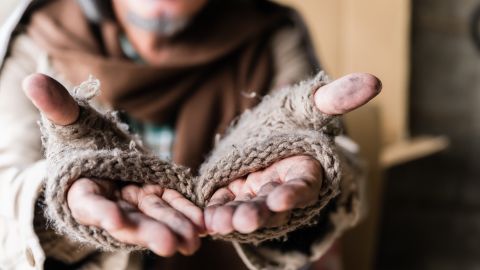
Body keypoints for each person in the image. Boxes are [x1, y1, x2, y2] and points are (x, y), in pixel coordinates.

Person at [0, 0, 381, 269]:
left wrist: (289, 154)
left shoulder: (270, 34)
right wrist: (61, 197)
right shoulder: (39, 39)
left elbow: (345, 168)